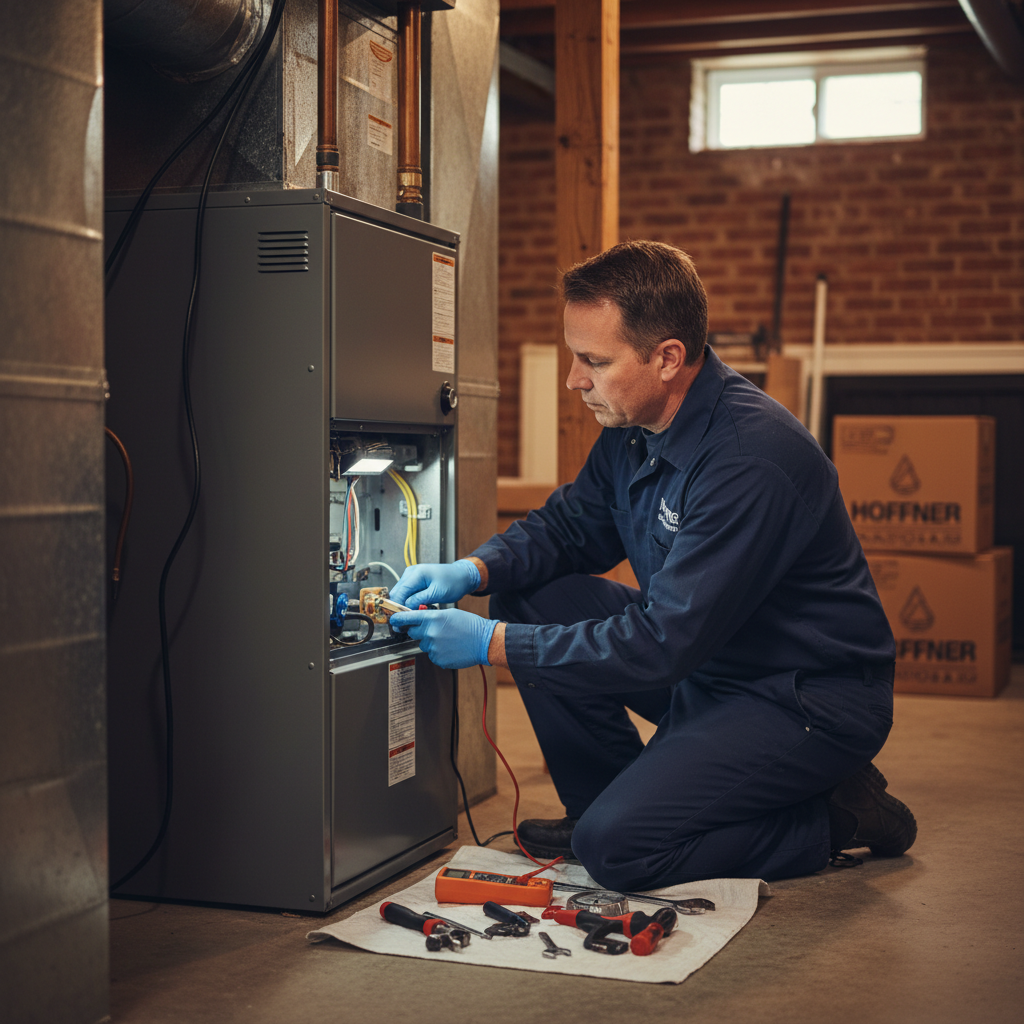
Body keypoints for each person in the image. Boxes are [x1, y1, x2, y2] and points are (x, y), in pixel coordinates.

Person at [389, 240, 916, 890]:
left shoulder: (751, 461)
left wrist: (491, 644)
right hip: (713, 663)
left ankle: (839, 816)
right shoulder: (632, 427)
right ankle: (603, 810)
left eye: (594, 361)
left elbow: (663, 643)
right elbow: (570, 527)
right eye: (573, 357)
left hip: (801, 696)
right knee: (531, 596)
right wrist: (473, 571)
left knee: (621, 853)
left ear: (667, 358)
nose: (573, 380)